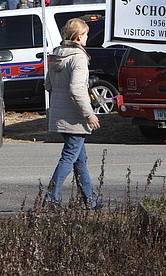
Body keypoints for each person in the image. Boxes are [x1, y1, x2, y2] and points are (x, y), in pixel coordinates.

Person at [43, 18, 100, 209]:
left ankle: (90, 201)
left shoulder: (56, 55)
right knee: (69, 157)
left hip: (59, 114)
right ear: (77, 37)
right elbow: (77, 90)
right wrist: (89, 114)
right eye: (85, 34)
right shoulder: (79, 57)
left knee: (80, 160)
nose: (87, 38)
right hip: (74, 117)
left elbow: (48, 84)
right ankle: (51, 196)